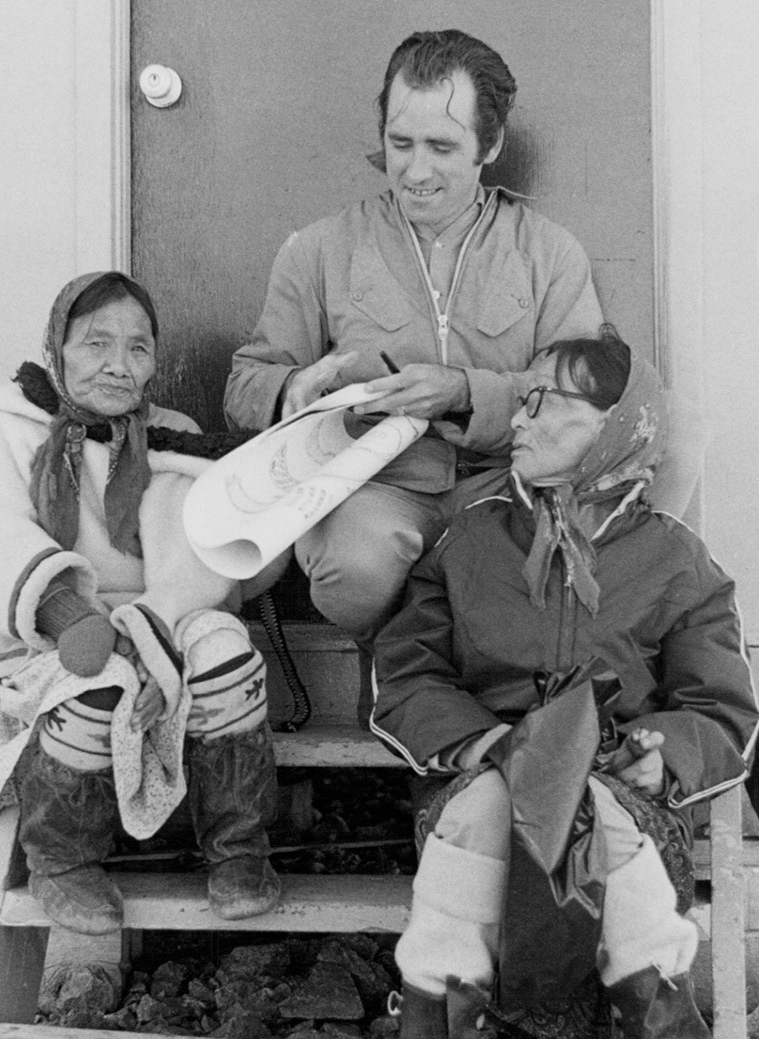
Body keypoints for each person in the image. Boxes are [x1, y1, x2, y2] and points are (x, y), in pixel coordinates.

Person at [370, 327, 759, 1038]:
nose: (519, 419)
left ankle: (657, 1013)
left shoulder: (676, 559)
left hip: (619, 783)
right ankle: (436, 1010)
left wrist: (661, 752)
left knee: (609, 815)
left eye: (544, 402)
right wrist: (479, 743)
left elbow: (720, 707)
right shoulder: (472, 538)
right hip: (488, 771)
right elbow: (408, 669)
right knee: (482, 809)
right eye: (522, 400)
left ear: (615, 426)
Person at [224, 29, 603, 717]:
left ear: (489, 147)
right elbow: (246, 380)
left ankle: (422, 688)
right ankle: (423, 665)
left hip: (499, 485)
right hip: (374, 489)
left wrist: (467, 392)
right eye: (401, 144)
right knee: (353, 576)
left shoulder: (549, 252)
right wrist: (292, 390)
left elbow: (579, 397)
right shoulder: (322, 247)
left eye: (442, 147)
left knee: (522, 576)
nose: (416, 170)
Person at [0, 271, 281, 932]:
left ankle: (237, 851)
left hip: (162, 615)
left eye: (138, 348)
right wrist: (75, 617)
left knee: (226, 648)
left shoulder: (171, 434)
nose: (118, 364)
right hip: (50, 630)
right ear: (57, 348)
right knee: (96, 674)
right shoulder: (8, 423)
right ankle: (62, 858)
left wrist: (153, 626)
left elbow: (210, 547)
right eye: (96, 343)